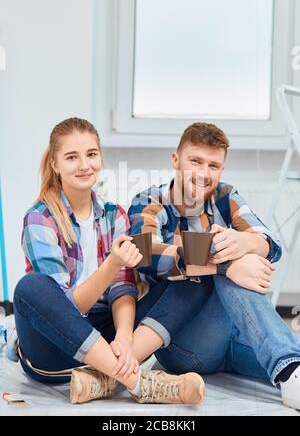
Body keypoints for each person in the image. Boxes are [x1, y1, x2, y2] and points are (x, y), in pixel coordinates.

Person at [13, 117, 207, 405]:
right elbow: (67, 308)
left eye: (91, 154)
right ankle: (138, 381)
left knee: (193, 278)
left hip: (106, 338)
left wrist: (126, 339)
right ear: (55, 164)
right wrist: (111, 264)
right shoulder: (39, 218)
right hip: (53, 348)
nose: (84, 165)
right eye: (71, 157)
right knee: (30, 287)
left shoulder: (114, 214)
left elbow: (122, 288)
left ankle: (102, 377)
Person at [128, 122, 300, 411]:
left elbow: (270, 244)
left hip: (233, 334)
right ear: (175, 160)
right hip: (182, 341)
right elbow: (145, 256)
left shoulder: (225, 196)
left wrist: (244, 243)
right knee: (227, 253)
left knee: (237, 246)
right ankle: (287, 369)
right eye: (195, 161)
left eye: (213, 165)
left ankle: (290, 369)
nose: (204, 173)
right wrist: (222, 260)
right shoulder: (148, 202)